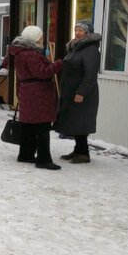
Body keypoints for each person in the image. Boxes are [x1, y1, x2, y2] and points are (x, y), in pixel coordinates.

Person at [5, 25, 63, 170]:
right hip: (38, 92)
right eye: (41, 37)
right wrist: (58, 64)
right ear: (35, 39)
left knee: (28, 125)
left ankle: (25, 154)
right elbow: (42, 72)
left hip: (27, 90)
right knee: (42, 127)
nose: (43, 39)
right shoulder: (31, 54)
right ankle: (43, 159)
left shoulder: (20, 52)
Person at [55, 20, 101, 164]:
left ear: (87, 33)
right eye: (76, 30)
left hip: (83, 93)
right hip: (71, 91)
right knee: (75, 121)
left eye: (80, 30)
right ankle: (78, 150)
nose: (77, 33)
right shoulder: (76, 48)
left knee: (81, 122)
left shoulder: (90, 50)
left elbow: (90, 74)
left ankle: (83, 154)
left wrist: (81, 92)